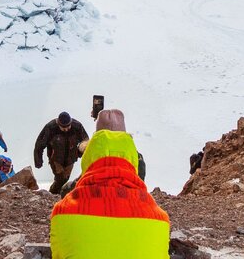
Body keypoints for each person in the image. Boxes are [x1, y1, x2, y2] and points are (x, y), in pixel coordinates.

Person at [49, 109, 170, 259]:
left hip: (64, 164)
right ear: (132, 158)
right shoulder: (160, 220)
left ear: (90, 155)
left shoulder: (63, 213)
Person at [34, 111, 89, 194]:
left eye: (68, 126)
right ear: (58, 124)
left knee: (65, 179)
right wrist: (38, 161)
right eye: (63, 127)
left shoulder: (77, 126)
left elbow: (85, 140)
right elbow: (39, 144)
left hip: (71, 158)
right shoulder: (50, 127)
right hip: (55, 159)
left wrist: (81, 152)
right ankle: (53, 194)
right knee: (60, 178)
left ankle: (54, 195)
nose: (66, 129)